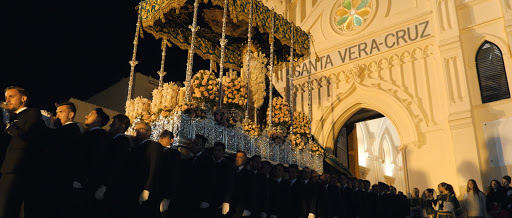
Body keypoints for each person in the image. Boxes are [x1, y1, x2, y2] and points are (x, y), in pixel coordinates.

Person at [0, 86, 46, 218]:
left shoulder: (32, 112)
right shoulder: (10, 117)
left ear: (23, 98)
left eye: (11, 96)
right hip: (6, 166)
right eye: (5, 97)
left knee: (6, 208)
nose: (7, 100)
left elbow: (25, 133)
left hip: (17, 167)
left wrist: (6, 121)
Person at [46, 101, 82, 217]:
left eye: (61, 112)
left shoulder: (71, 130)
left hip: (61, 179)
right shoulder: (63, 130)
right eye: (57, 112)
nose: (57, 115)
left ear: (71, 115)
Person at [124, 121, 163, 218]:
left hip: (143, 186)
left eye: (141, 129)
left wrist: (147, 189)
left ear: (149, 132)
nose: (138, 131)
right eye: (136, 129)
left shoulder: (154, 145)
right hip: (131, 186)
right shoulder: (135, 146)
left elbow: (154, 168)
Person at [102, 114, 132, 217]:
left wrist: (104, 185)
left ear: (122, 126)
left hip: (110, 188)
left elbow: (116, 165)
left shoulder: (122, 142)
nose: (110, 126)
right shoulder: (113, 140)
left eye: (114, 124)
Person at [158, 130, 181, 217]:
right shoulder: (157, 150)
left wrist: (167, 197)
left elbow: (173, 175)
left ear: (171, 140)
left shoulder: (173, 153)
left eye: (165, 136)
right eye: (161, 136)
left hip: (164, 192)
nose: (161, 138)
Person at [210, 142, 233, 217]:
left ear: (223, 152)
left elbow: (229, 184)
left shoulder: (227, 165)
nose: (216, 153)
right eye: (215, 150)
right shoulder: (209, 162)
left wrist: (226, 201)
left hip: (219, 199)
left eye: (219, 151)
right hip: (210, 198)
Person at [229, 151, 253, 218]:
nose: (237, 159)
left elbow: (250, 191)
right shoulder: (230, 171)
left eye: (240, 157)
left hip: (240, 206)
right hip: (229, 204)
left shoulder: (249, 174)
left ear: (245, 160)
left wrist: (248, 208)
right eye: (236, 157)